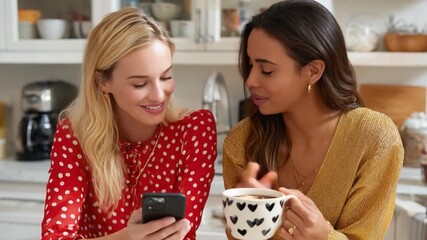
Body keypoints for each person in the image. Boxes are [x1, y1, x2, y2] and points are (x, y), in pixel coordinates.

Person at [222, 0, 403, 239]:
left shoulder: (374, 139)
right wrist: (247, 217)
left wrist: (323, 236)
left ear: (314, 71)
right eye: (250, 65)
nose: (251, 81)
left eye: (266, 70)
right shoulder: (242, 141)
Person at [41, 7, 217, 240]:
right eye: (140, 84)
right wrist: (127, 237)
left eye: (165, 77)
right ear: (103, 81)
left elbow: (182, 232)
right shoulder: (74, 136)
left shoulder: (195, 129)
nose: (158, 95)